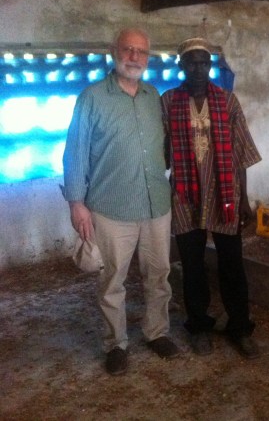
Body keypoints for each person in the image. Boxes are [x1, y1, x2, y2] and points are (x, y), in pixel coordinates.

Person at [62, 28, 180, 376]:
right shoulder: (92, 97)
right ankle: (116, 343)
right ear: (114, 52)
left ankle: (157, 332)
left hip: (156, 204)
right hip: (111, 208)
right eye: (128, 49)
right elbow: (75, 152)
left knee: (159, 274)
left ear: (148, 57)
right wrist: (76, 202)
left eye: (141, 51)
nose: (134, 57)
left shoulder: (152, 96)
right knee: (112, 280)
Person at [161, 37, 261, 358]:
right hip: (185, 196)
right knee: (192, 265)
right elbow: (160, 151)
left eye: (204, 62)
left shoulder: (228, 102)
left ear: (210, 65)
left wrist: (244, 200)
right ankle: (199, 326)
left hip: (225, 195)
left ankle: (240, 327)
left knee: (232, 263)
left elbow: (241, 152)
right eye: (192, 62)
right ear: (181, 65)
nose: (198, 68)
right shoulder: (168, 102)